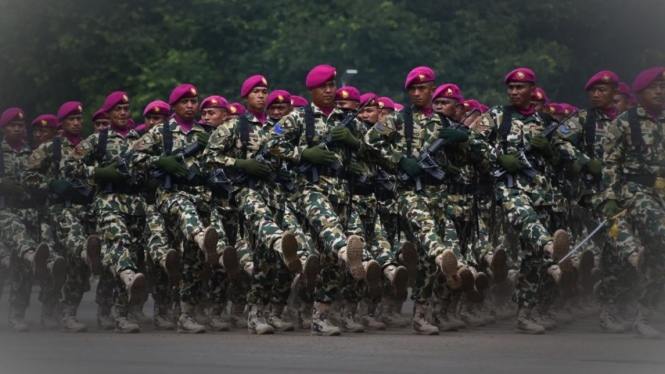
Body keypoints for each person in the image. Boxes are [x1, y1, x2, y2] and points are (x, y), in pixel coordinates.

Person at [267, 64, 368, 336]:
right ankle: (348, 251)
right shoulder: (298, 118)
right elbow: (271, 143)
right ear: (311, 90)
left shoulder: (348, 120)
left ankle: (320, 318)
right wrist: (303, 154)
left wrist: (353, 142)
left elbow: (372, 151)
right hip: (310, 189)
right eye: (323, 86)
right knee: (328, 225)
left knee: (329, 262)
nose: (329, 90)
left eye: (332, 85)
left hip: (342, 192)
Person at [470, 68, 571, 334]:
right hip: (509, 188)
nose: (514, 92)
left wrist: (548, 149)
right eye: (511, 87)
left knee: (532, 258)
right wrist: (497, 156)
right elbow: (472, 141)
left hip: (541, 193)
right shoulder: (496, 116)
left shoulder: (544, 121)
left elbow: (565, 158)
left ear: (532, 90)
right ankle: (551, 246)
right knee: (528, 224)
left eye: (520, 87)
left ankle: (527, 312)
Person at [129, 84, 229, 334]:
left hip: (201, 197)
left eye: (194, 101)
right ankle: (200, 236)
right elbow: (129, 159)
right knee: (179, 232)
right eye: (184, 101)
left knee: (193, 262)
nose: (190, 106)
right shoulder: (162, 131)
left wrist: (213, 147)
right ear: (174, 106)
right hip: (170, 196)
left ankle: (186, 314)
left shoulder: (204, 132)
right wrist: (160, 161)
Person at [65, 92, 148, 333]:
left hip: (135, 204)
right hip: (108, 201)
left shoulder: (139, 140)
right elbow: (71, 166)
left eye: (126, 108)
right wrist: (99, 173)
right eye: (118, 109)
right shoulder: (97, 140)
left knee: (128, 254)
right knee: (118, 243)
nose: (123, 112)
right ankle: (128, 281)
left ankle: (120, 315)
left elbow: (150, 166)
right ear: (108, 114)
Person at [600, 66, 665, 339]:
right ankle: (609, 309)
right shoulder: (625, 122)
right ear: (639, 92)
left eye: (663, 87)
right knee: (661, 230)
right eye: (654, 87)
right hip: (635, 190)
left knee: (655, 257)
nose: (660, 92)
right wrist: (611, 198)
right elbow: (611, 162)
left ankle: (644, 316)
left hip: (661, 191)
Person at [0, 107, 52, 332]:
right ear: (4, 128)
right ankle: (32, 255)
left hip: (29, 210)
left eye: (21, 125)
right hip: (5, 211)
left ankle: (17, 314)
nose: (18, 129)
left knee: (22, 270)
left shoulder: (32, 152)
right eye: (13, 125)